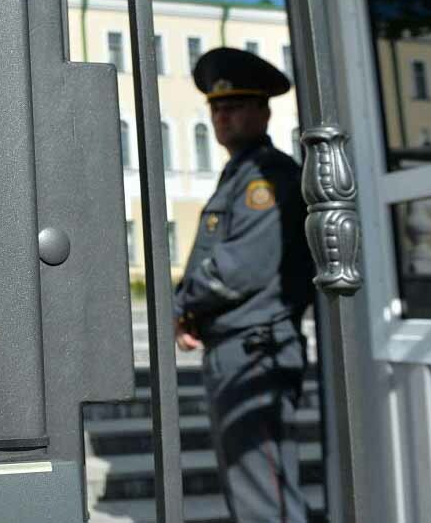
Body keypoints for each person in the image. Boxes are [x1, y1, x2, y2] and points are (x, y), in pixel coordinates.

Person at [174, 48, 315, 523]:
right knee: (252, 489)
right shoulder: (239, 175)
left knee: (264, 498)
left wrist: (180, 306)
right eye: (216, 108)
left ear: (264, 112)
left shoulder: (267, 178)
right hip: (238, 346)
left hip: (256, 350)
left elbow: (239, 268)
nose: (222, 117)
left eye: (234, 107)